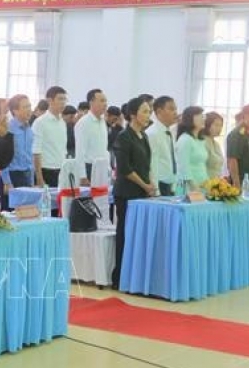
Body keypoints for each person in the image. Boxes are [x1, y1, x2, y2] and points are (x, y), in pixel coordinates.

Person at [112, 96, 154, 287]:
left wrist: (150, 184)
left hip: (142, 192)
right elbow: (124, 168)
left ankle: (135, 276)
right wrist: (144, 185)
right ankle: (119, 276)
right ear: (133, 114)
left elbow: (146, 165)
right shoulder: (123, 136)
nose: (148, 115)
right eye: (144, 111)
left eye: (149, 111)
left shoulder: (143, 136)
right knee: (125, 234)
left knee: (139, 235)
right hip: (127, 192)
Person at [0, 94, 34, 211]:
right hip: (11, 177)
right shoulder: (8, 128)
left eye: (29, 106)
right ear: (15, 111)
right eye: (25, 107)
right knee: (10, 216)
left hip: (26, 176)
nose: (29, 110)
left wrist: (32, 181)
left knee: (26, 214)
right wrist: (7, 182)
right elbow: (2, 157)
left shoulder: (29, 129)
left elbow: (29, 156)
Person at [32, 86, 68, 187]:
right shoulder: (40, 122)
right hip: (46, 171)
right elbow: (36, 152)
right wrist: (39, 178)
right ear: (50, 100)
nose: (63, 102)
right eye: (60, 99)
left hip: (61, 171)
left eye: (65, 99)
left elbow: (63, 150)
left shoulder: (62, 122)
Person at [74, 89, 110, 184]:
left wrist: (108, 168)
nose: (105, 104)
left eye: (106, 101)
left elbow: (104, 148)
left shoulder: (102, 121)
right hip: (89, 168)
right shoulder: (83, 123)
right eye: (102, 101)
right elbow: (80, 151)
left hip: (102, 168)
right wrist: (82, 175)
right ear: (91, 102)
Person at [146, 96, 179, 195]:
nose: (175, 112)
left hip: (170, 184)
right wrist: (156, 190)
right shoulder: (152, 133)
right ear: (159, 111)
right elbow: (152, 163)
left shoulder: (169, 132)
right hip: (159, 185)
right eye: (171, 109)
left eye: (176, 109)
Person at [226, 103, 249, 191]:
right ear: (246, 116)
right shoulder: (237, 134)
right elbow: (232, 160)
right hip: (243, 181)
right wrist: (236, 184)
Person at [175, 106, 208, 188]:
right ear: (190, 118)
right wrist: (194, 187)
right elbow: (183, 167)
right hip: (190, 187)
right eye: (200, 116)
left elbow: (201, 165)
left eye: (203, 116)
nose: (203, 119)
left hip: (202, 184)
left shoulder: (200, 140)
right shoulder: (185, 139)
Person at [203, 111, 225, 179]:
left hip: (216, 183)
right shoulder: (202, 142)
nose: (219, 128)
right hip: (204, 183)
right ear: (207, 125)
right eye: (216, 125)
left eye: (221, 125)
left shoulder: (216, 144)